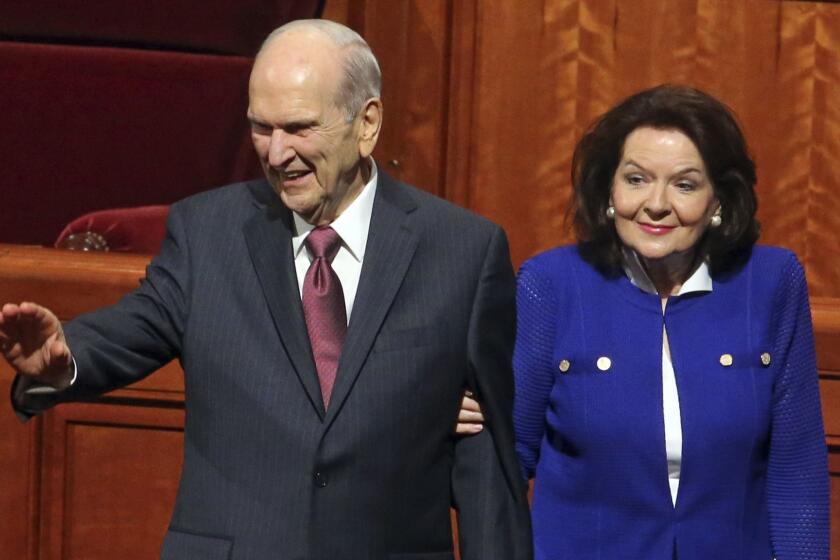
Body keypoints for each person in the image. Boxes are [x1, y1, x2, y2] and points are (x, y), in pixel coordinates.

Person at [0, 20, 532, 560]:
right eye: (261, 127)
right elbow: (134, 326)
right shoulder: (208, 234)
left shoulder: (463, 251)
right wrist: (61, 361)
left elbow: (486, 465)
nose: (276, 154)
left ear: (366, 123)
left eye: (299, 128)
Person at [459, 85, 829, 559]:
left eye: (685, 184)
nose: (655, 204)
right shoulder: (550, 284)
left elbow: (796, 466)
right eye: (636, 179)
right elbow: (506, 460)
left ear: (719, 200)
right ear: (609, 190)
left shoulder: (772, 282)